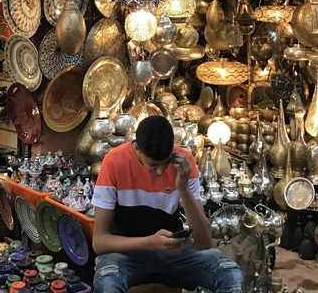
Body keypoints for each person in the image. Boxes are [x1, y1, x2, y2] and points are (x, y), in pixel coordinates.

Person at [91, 117, 243, 293]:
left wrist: (183, 188)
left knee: (231, 274)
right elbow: (99, 242)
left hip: (174, 252)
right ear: (138, 150)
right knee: (107, 285)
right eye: (153, 164)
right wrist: (150, 243)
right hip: (127, 253)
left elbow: (203, 241)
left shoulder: (184, 162)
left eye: (166, 161)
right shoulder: (114, 162)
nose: (161, 171)